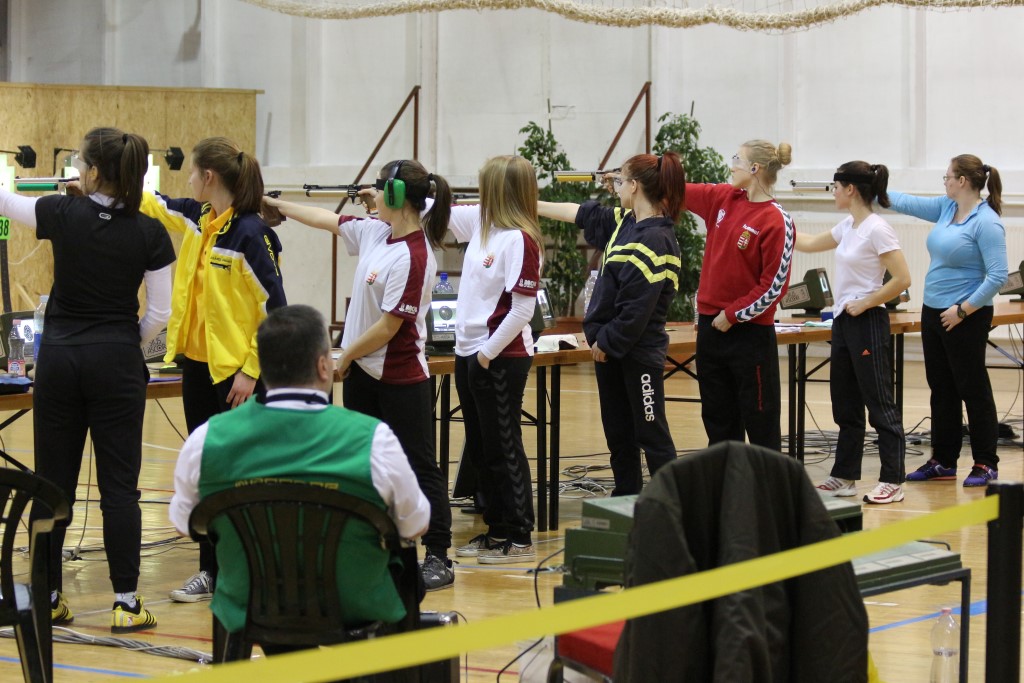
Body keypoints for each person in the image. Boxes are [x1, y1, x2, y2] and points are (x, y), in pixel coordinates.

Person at [169, 305, 430, 647]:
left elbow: (185, 523)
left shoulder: (206, 440)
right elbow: (416, 523)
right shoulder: (374, 440)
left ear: (262, 367)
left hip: (250, 603)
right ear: (323, 366)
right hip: (351, 604)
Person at [0, 127, 176, 631]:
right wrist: (122, 343)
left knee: (51, 483)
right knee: (120, 489)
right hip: (116, 362)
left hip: (60, 362)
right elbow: (159, 314)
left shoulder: (62, 212)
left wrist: (71, 200)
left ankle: (49, 596)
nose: (76, 170)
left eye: (80, 164)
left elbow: (5, 201)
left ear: (95, 172)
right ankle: (126, 603)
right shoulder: (150, 232)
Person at [262, 160, 456, 591]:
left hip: (400, 376)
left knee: (419, 464)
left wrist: (344, 355)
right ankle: (372, 546)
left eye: (380, 188)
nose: (373, 194)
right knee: (364, 462)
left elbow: (389, 326)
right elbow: (326, 220)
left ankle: (439, 554)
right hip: (362, 372)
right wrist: (275, 204)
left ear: (396, 195)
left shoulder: (415, 255)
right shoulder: (375, 232)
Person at [140, 137, 287, 601]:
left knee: (243, 475)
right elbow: (155, 203)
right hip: (197, 370)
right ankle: (211, 569)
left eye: (192, 172)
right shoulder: (200, 218)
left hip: (237, 377)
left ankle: (252, 570)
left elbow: (275, 312)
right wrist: (103, 188)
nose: (187, 181)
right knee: (207, 471)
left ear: (209, 177)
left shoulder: (252, 235)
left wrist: (251, 369)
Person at [538, 153, 684, 495]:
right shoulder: (625, 222)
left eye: (620, 181)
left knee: (651, 434)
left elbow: (636, 310)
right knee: (619, 435)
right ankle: (626, 498)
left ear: (634, 186)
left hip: (637, 353)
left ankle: (673, 506)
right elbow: (581, 214)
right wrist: (528, 205)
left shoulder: (656, 239)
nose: (614, 187)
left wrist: (607, 342)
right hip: (611, 351)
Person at [887, 154, 1008, 487]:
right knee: (941, 389)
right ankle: (943, 460)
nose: (945, 182)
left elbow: (997, 276)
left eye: (947, 177)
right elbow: (907, 203)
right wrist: (875, 188)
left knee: (972, 388)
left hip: (966, 315)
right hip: (934, 311)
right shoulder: (946, 208)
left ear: (962, 181)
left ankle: (985, 463)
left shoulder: (987, 222)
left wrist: (963, 310)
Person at [794, 162, 910, 504]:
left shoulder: (877, 229)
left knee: (879, 403)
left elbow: (903, 279)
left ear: (850, 189)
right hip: (844, 322)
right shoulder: (848, 225)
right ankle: (844, 476)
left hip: (868, 320)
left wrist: (867, 302)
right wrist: (777, 223)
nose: (833, 193)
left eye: (835, 187)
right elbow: (810, 243)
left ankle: (893, 480)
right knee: (845, 404)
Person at [448, 156, 542, 564]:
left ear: (500, 191)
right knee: (482, 447)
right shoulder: (481, 225)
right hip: (468, 352)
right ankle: (496, 528)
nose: (479, 193)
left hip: (501, 356)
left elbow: (522, 310)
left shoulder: (520, 240)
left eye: (485, 185)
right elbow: (437, 209)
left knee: (504, 446)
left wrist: (486, 354)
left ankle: (519, 535)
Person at [685, 140, 795, 451]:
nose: (731, 166)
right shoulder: (724, 197)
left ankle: (766, 483)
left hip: (748, 335)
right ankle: (726, 480)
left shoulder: (776, 219)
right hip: (711, 329)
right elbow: (676, 190)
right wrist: (636, 177)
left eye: (737, 159)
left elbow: (774, 287)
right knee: (718, 420)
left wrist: (732, 315)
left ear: (755, 168)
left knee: (761, 422)